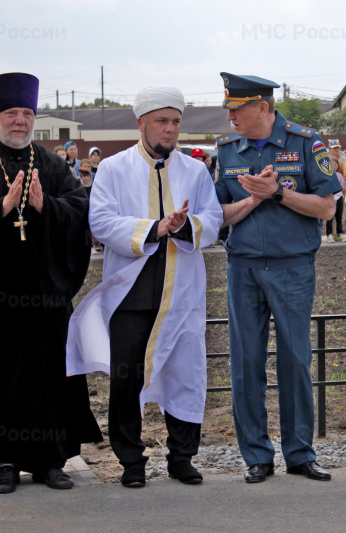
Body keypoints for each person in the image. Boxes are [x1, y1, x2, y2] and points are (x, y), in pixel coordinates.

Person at [0, 72, 102, 494]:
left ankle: (51, 462)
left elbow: (80, 214)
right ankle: (6, 461)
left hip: (45, 297)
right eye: (12, 113)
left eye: (27, 113)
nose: (21, 121)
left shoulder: (52, 166)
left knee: (50, 378)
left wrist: (49, 208)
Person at [66, 86, 223, 488]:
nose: (170, 129)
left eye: (175, 122)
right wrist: (155, 227)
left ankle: (182, 457)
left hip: (182, 293)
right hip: (131, 294)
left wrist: (185, 225)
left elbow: (214, 218)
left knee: (184, 371)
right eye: (162, 121)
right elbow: (100, 221)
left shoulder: (195, 170)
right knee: (126, 377)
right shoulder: (114, 169)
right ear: (142, 124)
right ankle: (131, 461)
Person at [214, 72, 340, 483]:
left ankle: (300, 453)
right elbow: (217, 214)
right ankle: (256, 455)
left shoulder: (306, 142)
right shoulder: (228, 148)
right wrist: (251, 200)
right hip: (244, 268)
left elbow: (326, 209)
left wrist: (279, 194)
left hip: (292, 268)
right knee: (246, 363)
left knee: (295, 360)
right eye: (229, 110)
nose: (230, 117)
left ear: (262, 108)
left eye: (237, 110)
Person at [326, 149, 346, 243]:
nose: (334, 167)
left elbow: (342, 187)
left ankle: (340, 233)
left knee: (339, 216)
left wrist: (345, 180)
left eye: (335, 165)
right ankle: (329, 234)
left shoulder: (339, 175)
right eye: (332, 165)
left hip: (338, 197)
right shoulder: (327, 176)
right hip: (330, 198)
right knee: (329, 217)